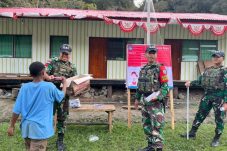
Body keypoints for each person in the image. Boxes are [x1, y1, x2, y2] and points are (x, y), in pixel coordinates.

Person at [7, 61, 66, 151]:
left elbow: (16, 110)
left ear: (30, 74)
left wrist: (11, 126)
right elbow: (61, 96)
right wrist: (64, 83)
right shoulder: (49, 87)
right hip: (40, 129)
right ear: (43, 73)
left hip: (27, 127)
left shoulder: (24, 87)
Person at [181, 50, 227, 147]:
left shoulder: (225, 71)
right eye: (214, 56)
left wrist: (226, 102)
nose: (215, 58)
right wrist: (191, 83)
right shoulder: (207, 70)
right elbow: (200, 80)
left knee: (219, 118)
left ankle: (216, 138)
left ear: (223, 58)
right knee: (200, 114)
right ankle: (192, 133)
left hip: (220, 98)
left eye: (218, 56)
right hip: (207, 96)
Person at [134, 45, 169, 151]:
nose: (151, 55)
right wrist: (137, 98)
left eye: (153, 53)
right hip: (145, 101)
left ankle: (158, 147)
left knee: (157, 125)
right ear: (145, 55)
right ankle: (150, 145)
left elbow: (165, 86)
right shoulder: (143, 69)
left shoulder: (160, 68)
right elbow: (139, 86)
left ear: (156, 55)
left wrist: (158, 97)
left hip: (155, 102)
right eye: (149, 53)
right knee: (147, 124)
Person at [45, 44, 77, 151]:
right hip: (51, 95)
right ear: (60, 52)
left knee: (62, 119)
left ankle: (60, 141)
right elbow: (44, 74)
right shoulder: (53, 62)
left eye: (67, 54)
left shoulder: (72, 67)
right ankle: (42, 138)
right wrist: (50, 77)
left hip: (64, 96)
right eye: (63, 53)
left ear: (69, 55)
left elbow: (74, 81)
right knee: (46, 116)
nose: (65, 55)